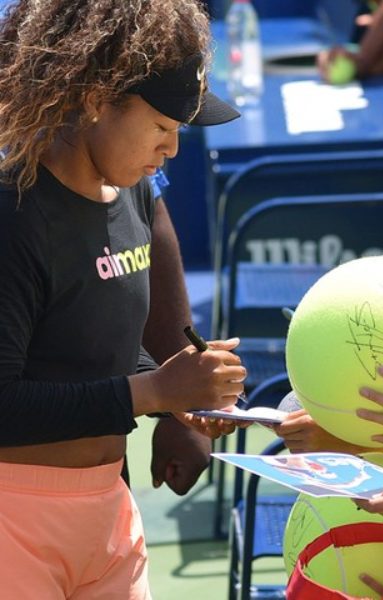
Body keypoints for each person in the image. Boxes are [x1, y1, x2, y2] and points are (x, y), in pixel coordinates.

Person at [0, 1, 244, 596]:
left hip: (110, 511)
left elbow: (95, 351)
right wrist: (155, 391)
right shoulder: (13, 216)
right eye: (163, 128)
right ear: (95, 100)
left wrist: (180, 392)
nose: (172, 151)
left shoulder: (130, 195)